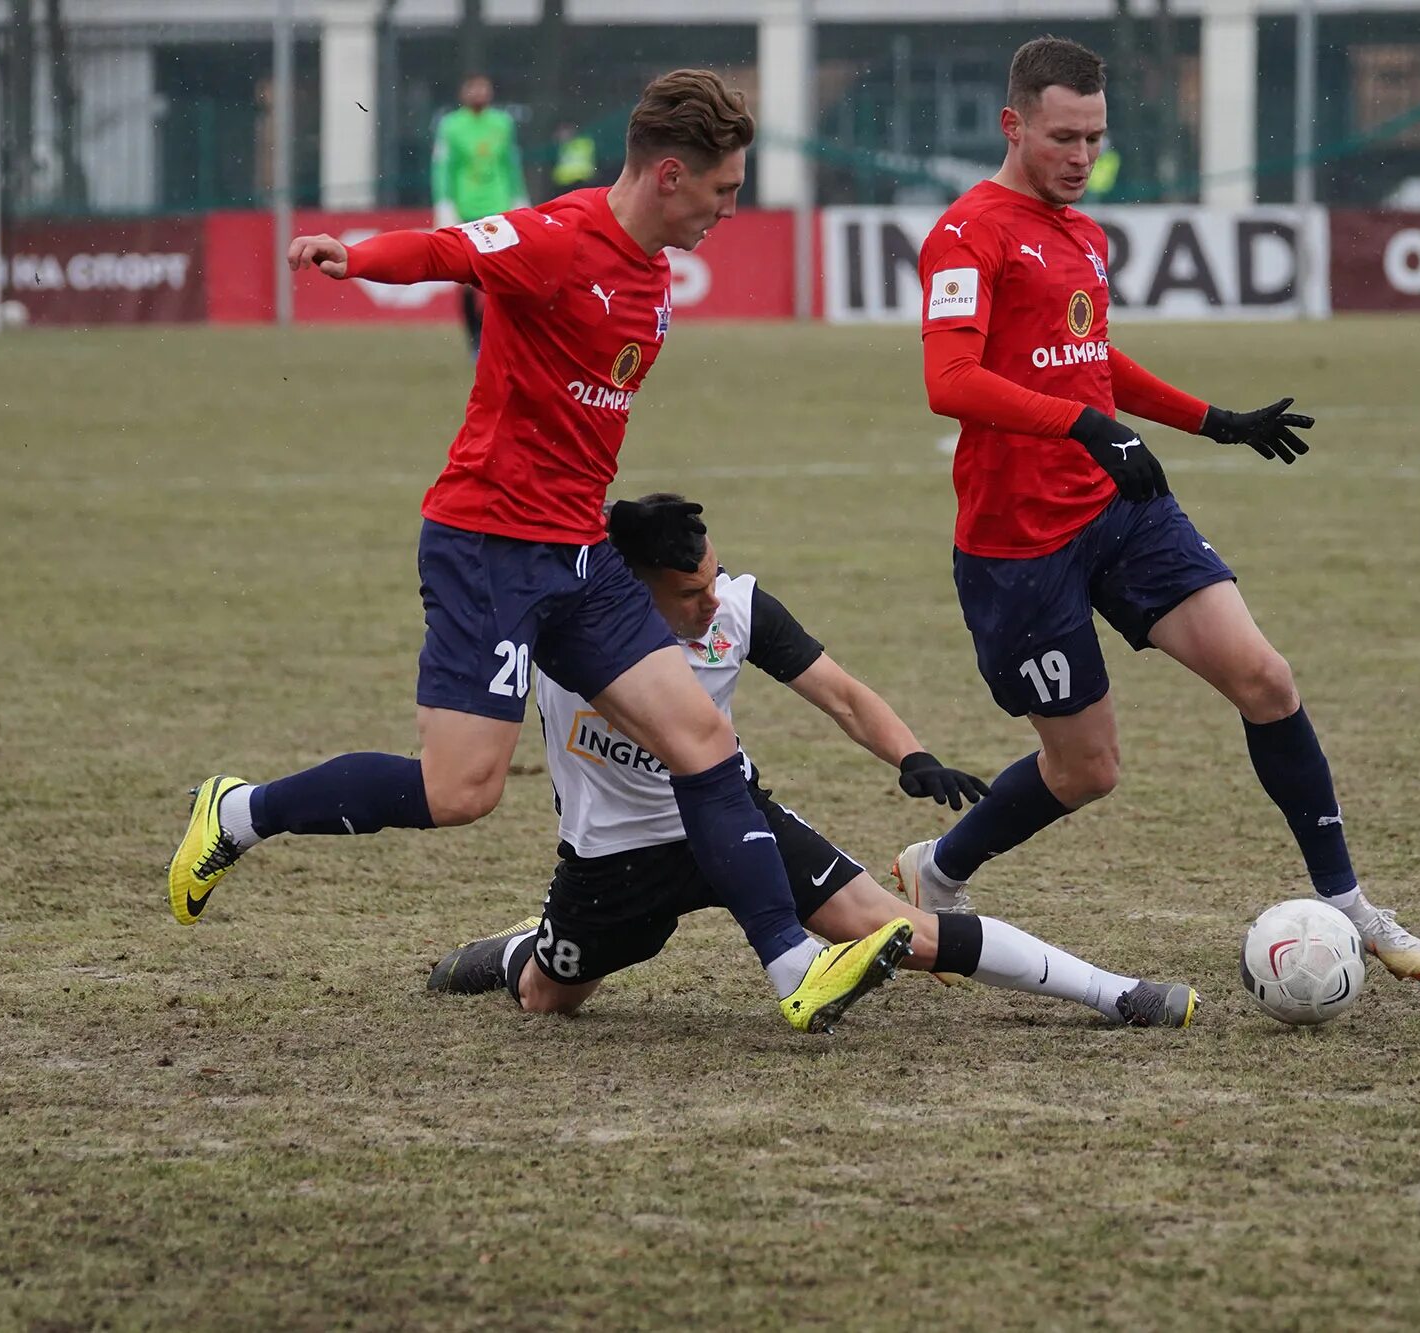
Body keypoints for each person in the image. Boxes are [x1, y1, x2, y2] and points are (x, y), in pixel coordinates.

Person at [168, 71, 912, 1036]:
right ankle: (237, 812)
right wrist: (353, 256)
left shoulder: (652, 272)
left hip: (579, 551)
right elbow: (446, 249)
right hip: (486, 546)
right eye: (726, 191)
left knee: (703, 742)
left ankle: (795, 967)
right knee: (459, 791)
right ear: (673, 176)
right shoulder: (560, 238)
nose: (734, 209)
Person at [894, 36, 1420, 982]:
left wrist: (1215, 421)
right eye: (1063, 137)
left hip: (1120, 512)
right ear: (1014, 124)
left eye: (1096, 138)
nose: (1082, 156)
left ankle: (1348, 903)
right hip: (1017, 545)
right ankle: (939, 868)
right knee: (1086, 770)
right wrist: (1084, 426)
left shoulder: (1084, 233)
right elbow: (951, 381)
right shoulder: (967, 232)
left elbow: (1089, 360)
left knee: (1266, 678)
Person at [428, 497, 1200, 1030]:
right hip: (613, 858)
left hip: (735, 819)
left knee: (903, 928)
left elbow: (839, 694)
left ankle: (1118, 994)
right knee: (547, 1000)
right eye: (690, 591)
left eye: (715, 577)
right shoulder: (567, 620)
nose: (712, 599)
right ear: (634, 586)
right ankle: (525, 946)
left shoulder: (737, 609)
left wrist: (913, 754)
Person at [431, 74, 525, 358]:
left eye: (483, 87)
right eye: (472, 87)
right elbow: (442, 167)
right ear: (463, 92)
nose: (478, 93)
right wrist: (444, 204)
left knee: (504, 278)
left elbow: (511, 163)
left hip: (499, 209)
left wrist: (519, 199)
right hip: (465, 210)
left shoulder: (502, 124)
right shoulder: (451, 126)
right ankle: (475, 339)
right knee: (468, 281)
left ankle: (500, 337)